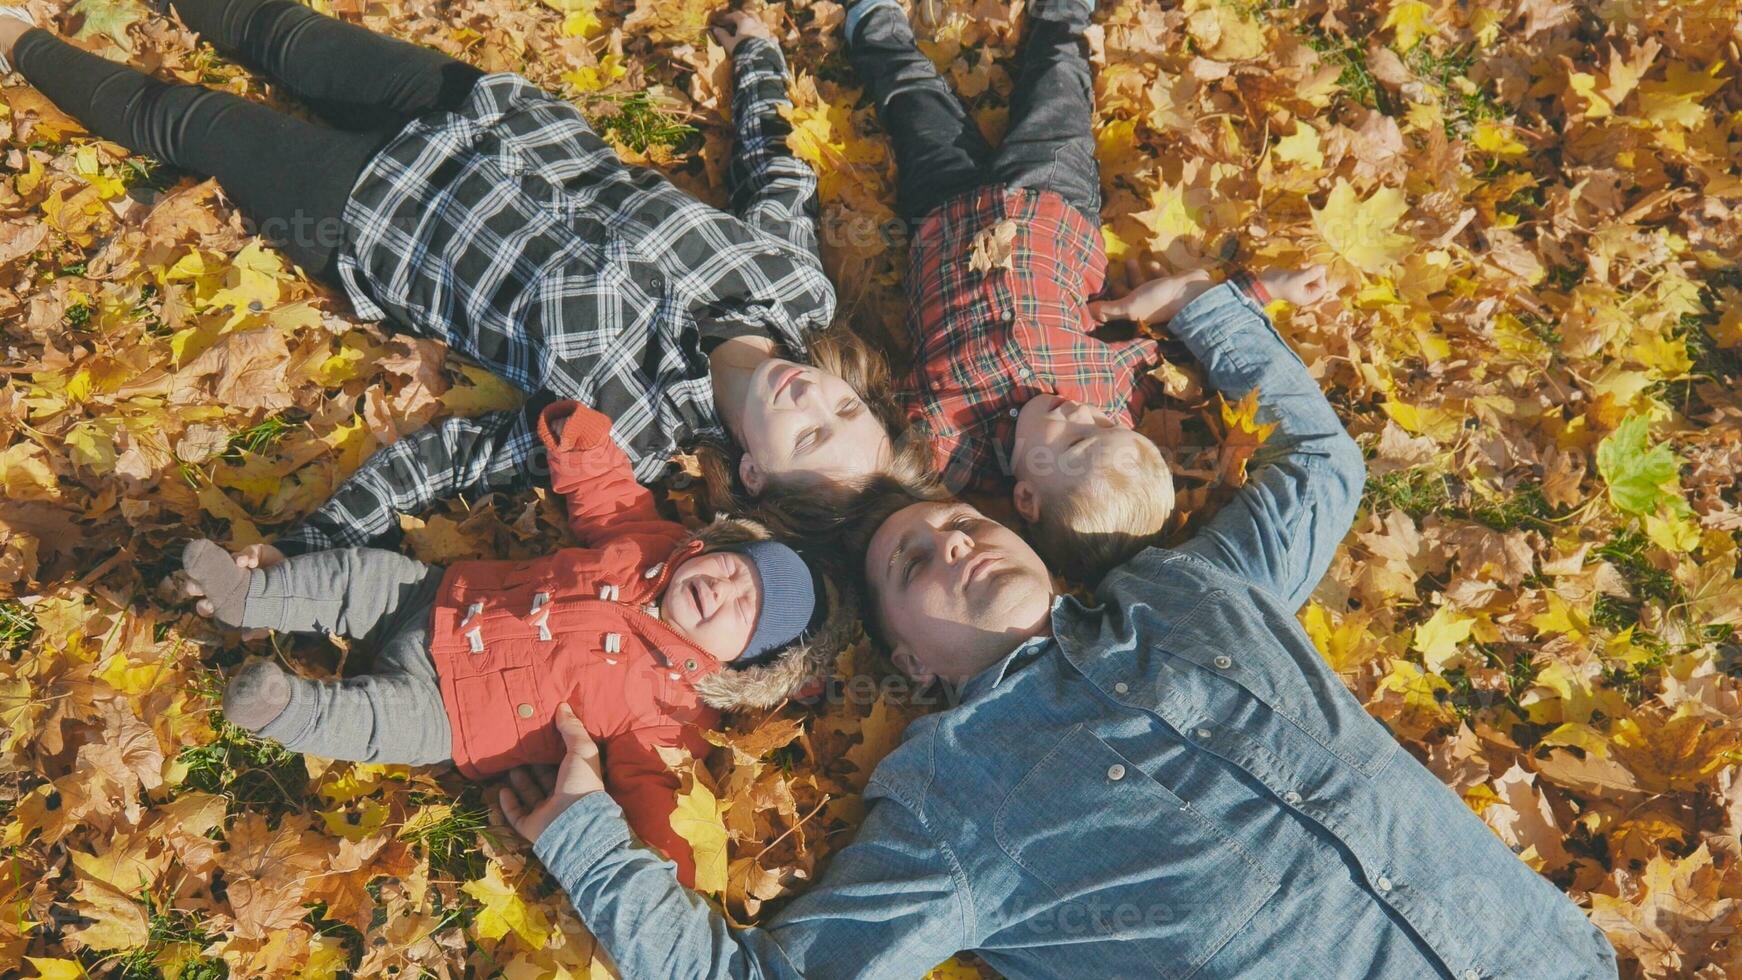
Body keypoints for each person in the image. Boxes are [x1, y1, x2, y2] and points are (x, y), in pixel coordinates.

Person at [493, 236, 1620, 977]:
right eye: (910, 561)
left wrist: (1208, 313)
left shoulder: (1188, 589)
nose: (954, 533)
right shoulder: (950, 808)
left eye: (961, 523)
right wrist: (590, 843)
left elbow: (1320, 462)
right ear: (910, 659)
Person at [0, 0, 923, 567]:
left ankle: (23, 43)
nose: (819, 403)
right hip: (479, 114)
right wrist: (759, 53)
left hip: (374, 216)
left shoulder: (626, 434)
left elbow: (454, 460)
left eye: (810, 435)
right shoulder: (795, 288)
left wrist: (310, 547)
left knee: (188, 121)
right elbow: (776, 176)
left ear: (754, 470)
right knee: (274, 30)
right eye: (847, 412)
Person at [178, 399, 858, 889]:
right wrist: (581, 442)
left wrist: (670, 869)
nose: (726, 592)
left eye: (745, 613)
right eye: (738, 572)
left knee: (375, 723)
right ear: (715, 547)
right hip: (444, 598)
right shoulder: (653, 544)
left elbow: (651, 787)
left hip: (457, 717)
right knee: (360, 578)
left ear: (738, 662)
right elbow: (607, 496)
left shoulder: (674, 712)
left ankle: (284, 708)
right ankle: (252, 598)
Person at [836, 0, 1333, 582]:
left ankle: (873, 23)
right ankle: (1061, 17)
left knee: (913, 100)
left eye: (1070, 443)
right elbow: (1186, 334)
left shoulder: (950, 448)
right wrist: (1263, 289)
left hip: (943, 218)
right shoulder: (1116, 394)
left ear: (1026, 499)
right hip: (1054, 207)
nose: (1079, 415)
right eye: (1101, 428)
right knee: (1058, 92)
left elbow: (874, 461)